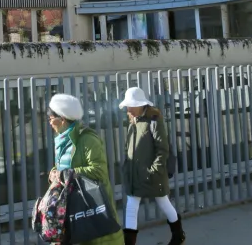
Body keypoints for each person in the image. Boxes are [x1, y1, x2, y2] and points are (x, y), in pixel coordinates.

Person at [48, 94, 124, 245]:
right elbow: (65, 166)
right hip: (68, 208)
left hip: (89, 208)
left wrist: (67, 174)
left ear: (62, 119)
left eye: (51, 117)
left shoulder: (88, 139)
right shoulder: (63, 141)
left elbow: (99, 171)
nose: (49, 121)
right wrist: (54, 172)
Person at [119, 87, 185, 245]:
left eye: (131, 105)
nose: (128, 109)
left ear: (141, 105)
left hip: (152, 174)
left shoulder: (154, 121)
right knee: (131, 207)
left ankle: (178, 235)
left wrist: (154, 171)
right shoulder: (133, 122)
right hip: (135, 175)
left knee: (164, 202)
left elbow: (162, 150)